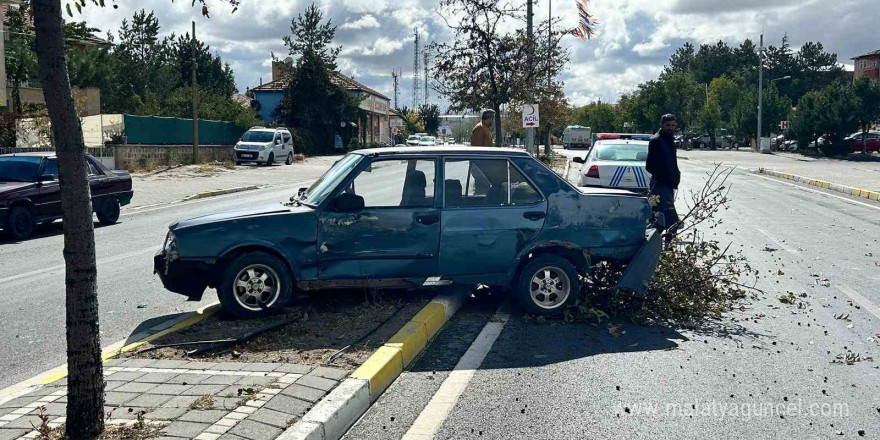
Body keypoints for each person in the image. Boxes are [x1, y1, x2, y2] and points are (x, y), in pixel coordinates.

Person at [645, 114, 681, 237]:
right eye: (668, 125)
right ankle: (667, 249)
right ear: (661, 125)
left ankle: (656, 246)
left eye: (673, 125)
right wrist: (665, 179)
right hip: (660, 187)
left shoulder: (669, 140)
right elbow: (649, 166)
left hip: (668, 186)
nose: (671, 128)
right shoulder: (656, 141)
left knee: (659, 220)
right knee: (671, 221)